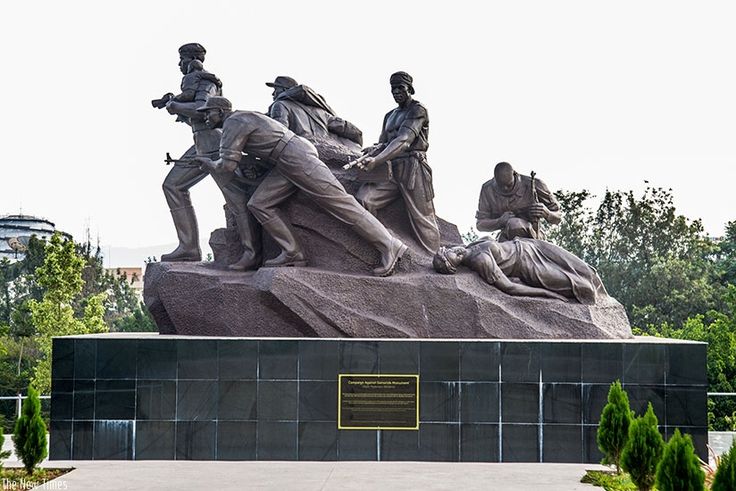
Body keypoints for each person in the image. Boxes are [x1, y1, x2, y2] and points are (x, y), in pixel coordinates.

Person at [193, 96, 408, 277]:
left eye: (208, 112)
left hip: (295, 157)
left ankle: (389, 244)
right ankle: (293, 253)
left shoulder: (233, 122)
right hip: (285, 161)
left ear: (220, 111)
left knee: (339, 203)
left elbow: (227, 166)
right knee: (259, 203)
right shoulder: (243, 117)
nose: (204, 117)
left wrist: (208, 163)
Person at [152, 43, 263, 270]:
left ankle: (252, 253)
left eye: (181, 59)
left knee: (235, 199)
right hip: (200, 143)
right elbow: (192, 110)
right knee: (173, 186)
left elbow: (202, 108)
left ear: (191, 59)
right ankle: (188, 248)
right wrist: (172, 102)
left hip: (215, 143)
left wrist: (176, 106)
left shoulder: (205, 81)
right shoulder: (195, 82)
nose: (179, 64)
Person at [352, 71, 440, 253]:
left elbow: (404, 140)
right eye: (393, 89)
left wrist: (376, 160)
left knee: (423, 219)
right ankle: (386, 247)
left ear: (410, 89)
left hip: (413, 169)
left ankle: (435, 259)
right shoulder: (389, 115)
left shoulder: (418, 110)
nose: (396, 92)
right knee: (364, 200)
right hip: (390, 170)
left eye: (400, 88)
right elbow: (385, 141)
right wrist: (373, 150)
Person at [432, 238, 609, 304]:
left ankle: (602, 296)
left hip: (531, 246)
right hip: (530, 267)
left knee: (579, 267)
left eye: (450, 250)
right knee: (577, 286)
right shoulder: (481, 261)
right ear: (454, 266)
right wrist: (549, 294)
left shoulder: (471, 245)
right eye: (453, 257)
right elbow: (510, 287)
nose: (456, 252)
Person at [266, 76, 363, 148]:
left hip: (302, 151)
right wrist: (359, 141)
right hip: (326, 149)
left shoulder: (280, 105)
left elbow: (278, 134)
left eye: (275, 89)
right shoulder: (321, 112)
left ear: (283, 89)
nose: (273, 94)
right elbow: (349, 129)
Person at [476, 162, 561, 241]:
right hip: (505, 237)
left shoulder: (534, 184)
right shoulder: (487, 189)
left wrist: (547, 213)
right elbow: (480, 224)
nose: (505, 189)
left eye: (508, 185)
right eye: (501, 186)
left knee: (515, 224)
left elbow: (558, 217)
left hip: (533, 234)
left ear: (514, 174)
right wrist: (500, 221)